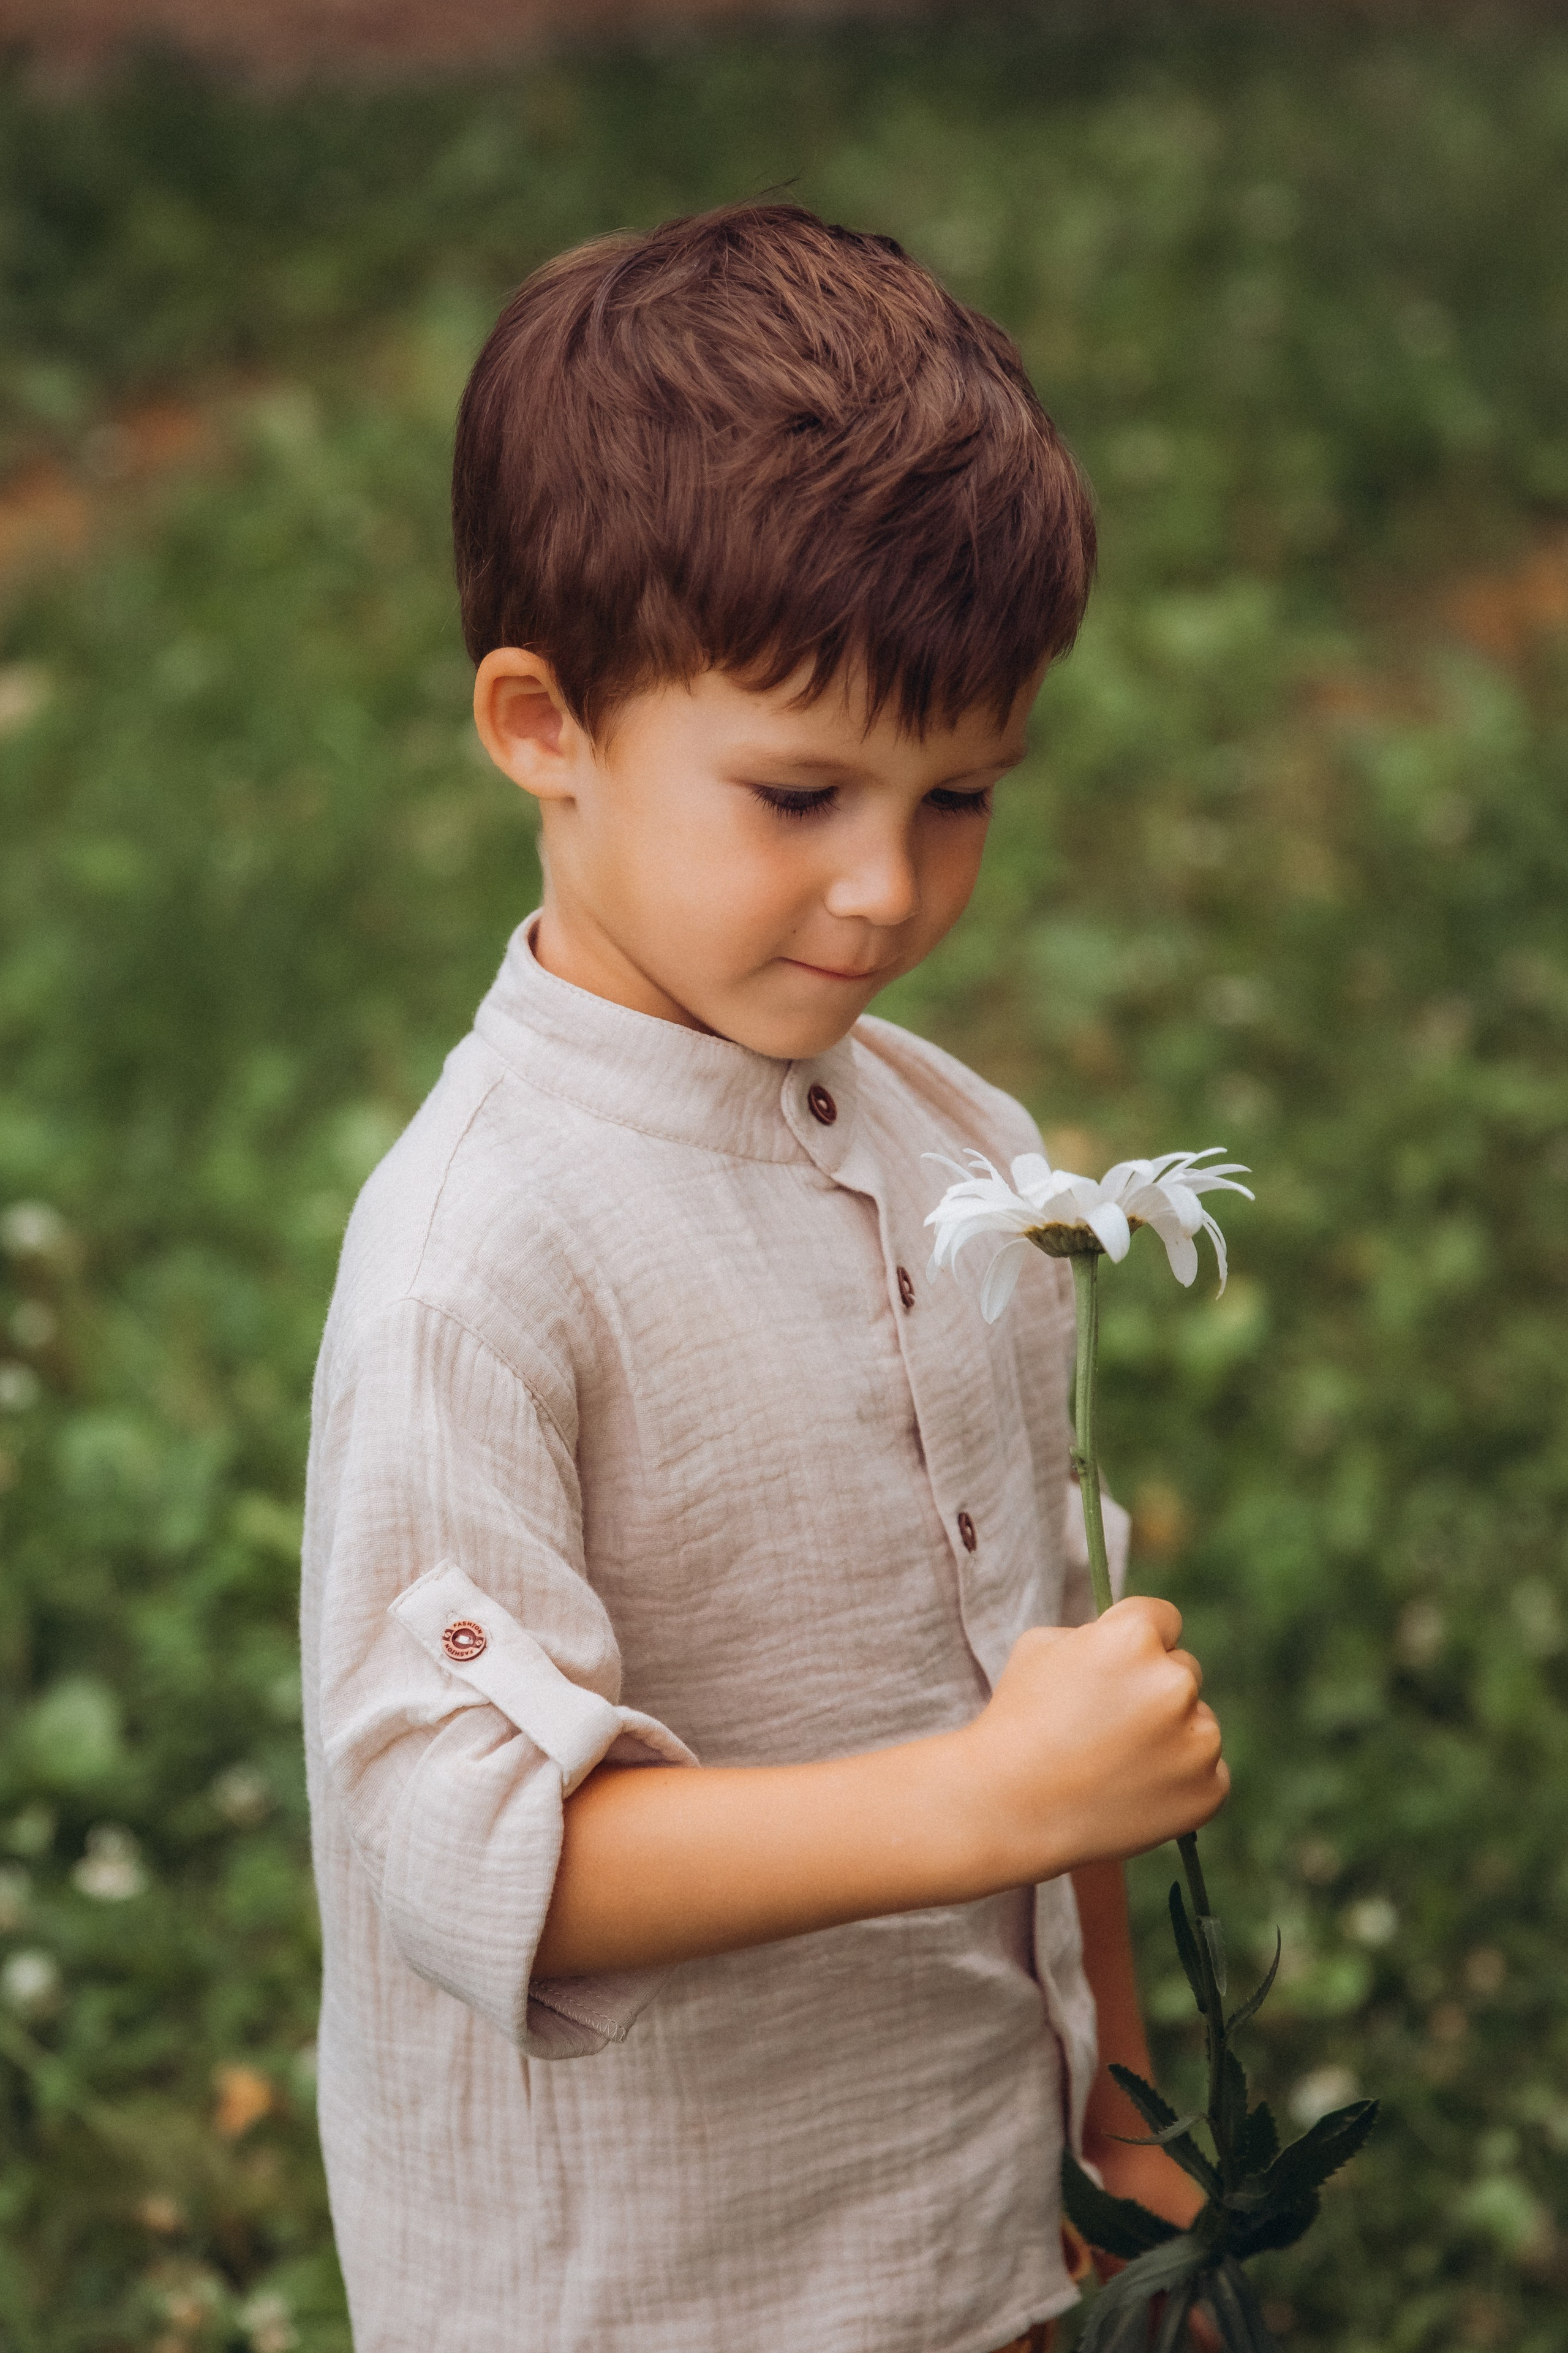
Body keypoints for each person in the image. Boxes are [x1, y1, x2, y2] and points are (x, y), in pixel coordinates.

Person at [301, 201, 1229, 2353]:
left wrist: (1116, 2106)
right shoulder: (480, 1258)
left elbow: (1041, 1669)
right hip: (661, 2280)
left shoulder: (969, 1152)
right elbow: (470, 1854)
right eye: (799, 791)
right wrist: (975, 1805)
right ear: (546, 724)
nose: (887, 888)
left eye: (962, 795)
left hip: (967, 2223)